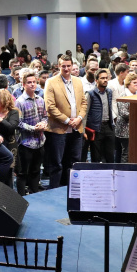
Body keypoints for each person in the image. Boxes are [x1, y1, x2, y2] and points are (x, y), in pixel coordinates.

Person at [43, 57, 87, 190]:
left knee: (74, 162)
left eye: (68, 66)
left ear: (72, 66)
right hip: (58, 129)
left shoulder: (78, 81)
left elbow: (84, 103)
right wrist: (67, 120)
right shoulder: (51, 82)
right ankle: (54, 191)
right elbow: (50, 107)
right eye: (63, 66)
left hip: (76, 128)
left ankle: (71, 190)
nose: (66, 69)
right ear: (59, 66)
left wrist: (79, 118)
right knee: (57, 164)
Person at [14, 71, 47, 194]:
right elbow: (18, 123)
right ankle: (21, 197)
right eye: (29, 82)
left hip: (40, 142)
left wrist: (43, 124)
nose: (32, 84)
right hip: (26, 143)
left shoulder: (40, 100)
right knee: (23, 173)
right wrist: (33, 128)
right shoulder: (19, 102)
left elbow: (45, 116)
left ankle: (34, 193)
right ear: (23, 85)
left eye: (34, 82)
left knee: (36, 171)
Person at [83, 68, 117, 162]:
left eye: (106, 78)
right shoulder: (90, 93)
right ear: (96, 80)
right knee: (96, 156)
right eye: (102, 78)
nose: (105, 80)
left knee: (110, 155)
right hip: (96, 128)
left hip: (109, 126)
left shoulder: (109, 92)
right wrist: (83, 130)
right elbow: (85, 112)